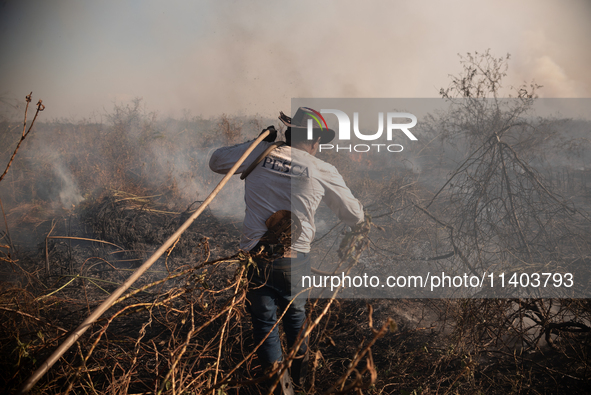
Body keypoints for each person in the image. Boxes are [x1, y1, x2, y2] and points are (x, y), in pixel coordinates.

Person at [209, 107, 364, 393]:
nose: (318, 147)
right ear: (313, 141)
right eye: (318, 141)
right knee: (295, 318)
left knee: (265, 324)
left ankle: (280, 389)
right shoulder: (322, 169)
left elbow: (216, 161)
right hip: (295, 261)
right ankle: (300, 382)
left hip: (256, 257)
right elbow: (354, 215)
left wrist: (257, 141)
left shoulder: (261, 153)